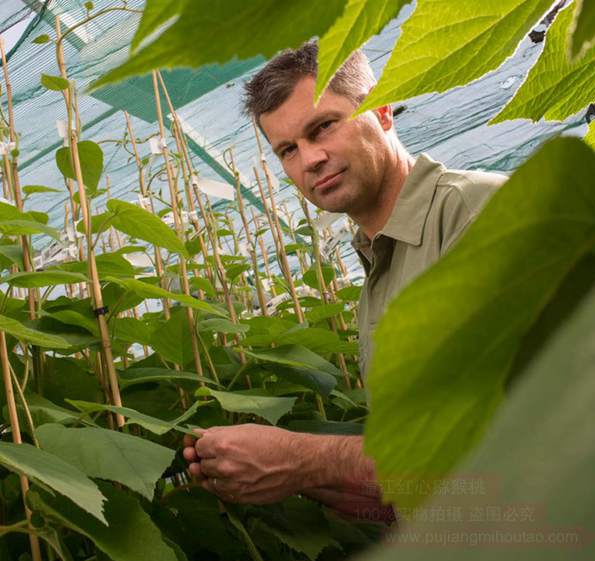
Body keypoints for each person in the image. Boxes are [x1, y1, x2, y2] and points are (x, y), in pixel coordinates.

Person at [183, 42, 505, 520]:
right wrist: (278, 472)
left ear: (382, 110)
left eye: (323, 127)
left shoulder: (480, 217)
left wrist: (301, 459)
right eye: (287, 150)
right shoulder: (382, 268)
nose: (309, 159)